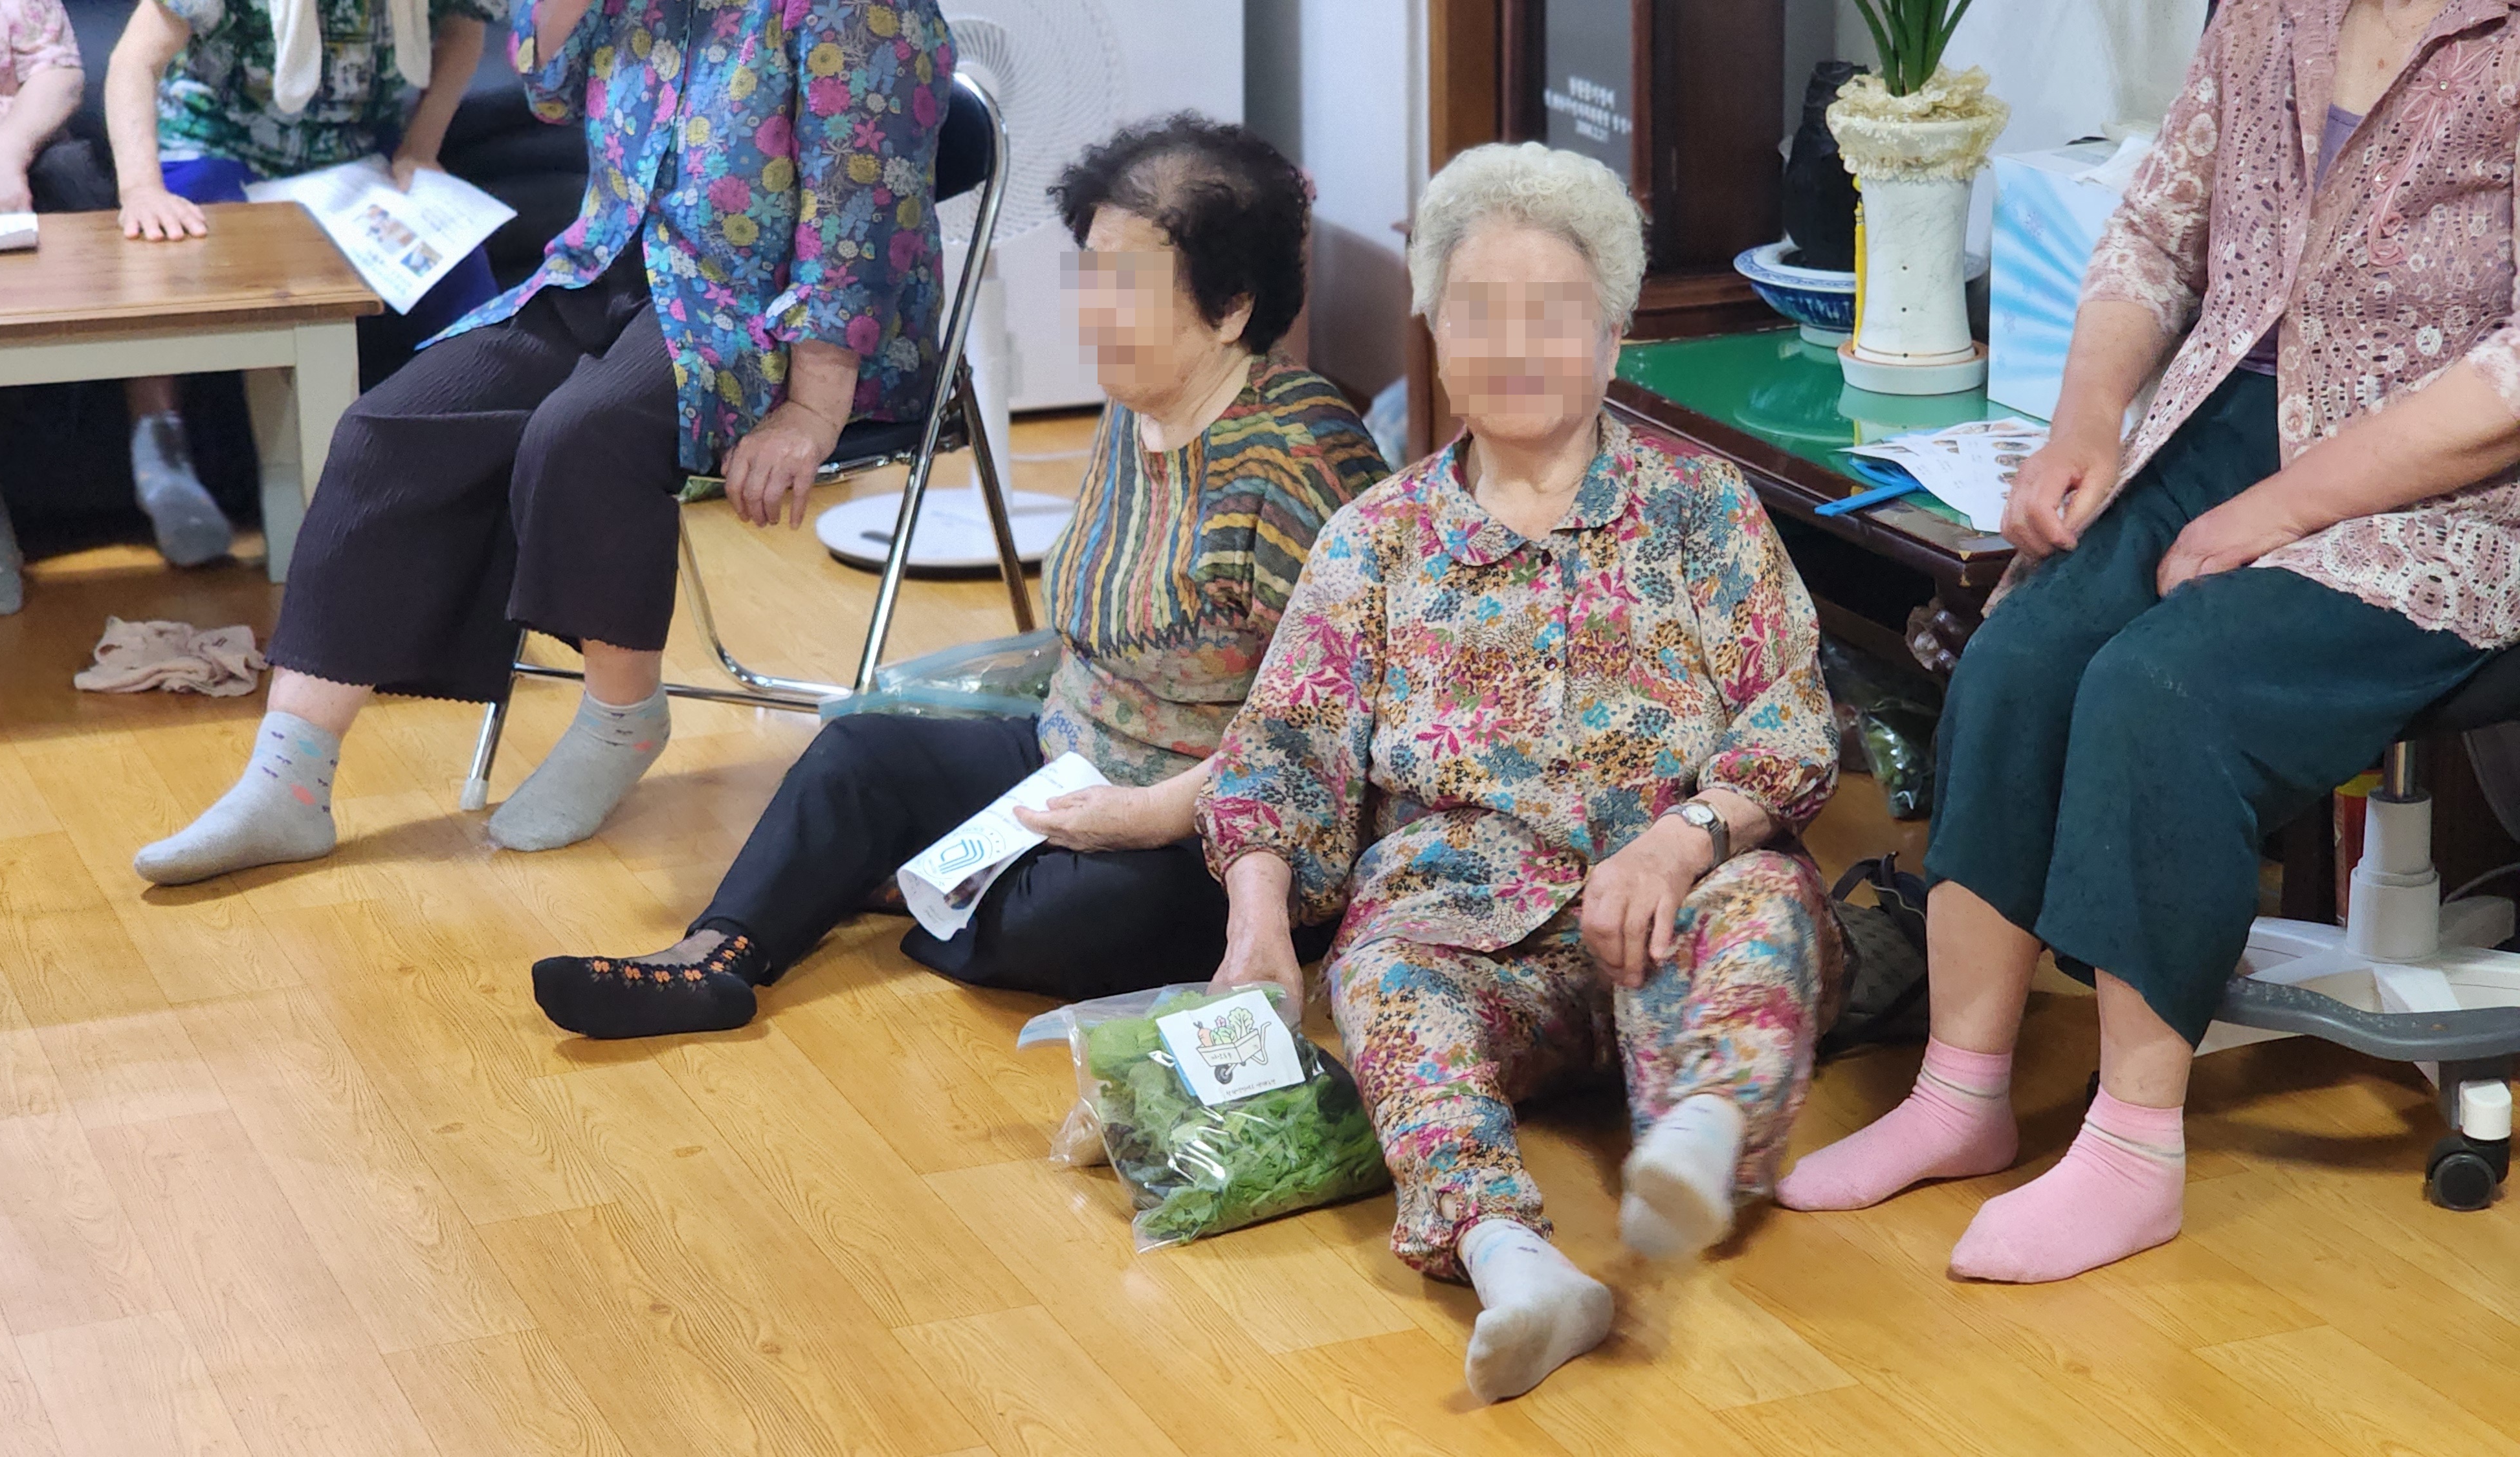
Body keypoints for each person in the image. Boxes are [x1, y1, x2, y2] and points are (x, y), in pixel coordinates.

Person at [1778, 0, 2520, 1284]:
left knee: (2158, 689)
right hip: (2227, 422)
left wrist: (2276, 511)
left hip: (2452, 491)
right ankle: (1960, 1091)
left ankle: (2131, 1153)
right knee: (2022, 654)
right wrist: (2086, 420)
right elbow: (2157, 232)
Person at [1197, 142, 1844, 1403]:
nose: (1514, 345)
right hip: (1468, 937)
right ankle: (1515, 1264)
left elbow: (1791, 722)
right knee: (1381, 973)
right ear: (1437, 334)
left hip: (1678, 903)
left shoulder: (1699, 509)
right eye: (1478, 312)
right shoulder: (1376, 542)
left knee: (1766, 907)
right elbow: (1280, 753)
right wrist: (1255, 920)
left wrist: (1681, 841)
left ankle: (1700, 1138)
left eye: (1551, 312)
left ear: (1610, 336)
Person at [529, 116, 1392, 1040]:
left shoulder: (1301, 459)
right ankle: (714, 958)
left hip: (1224, 834)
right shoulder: (1138, 401)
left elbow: (1325, 733)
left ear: (1230, 309)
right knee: (857, 756)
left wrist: (1145, 813)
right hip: (1070, 761)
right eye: (1090, 277)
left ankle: (902, 881)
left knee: (1072, 914)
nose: (1093, 313)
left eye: (1128, 289)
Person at [131, 0, 956, 884]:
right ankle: (286, 784)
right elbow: (551, 88)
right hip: (608, 266)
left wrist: (812, 412)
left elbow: (866, 219)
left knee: (585, 432)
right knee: (387, 429)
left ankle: (622, 718)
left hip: (773, 319)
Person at [98, 0, 503, 571]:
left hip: (354, 155)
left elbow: (464, 30)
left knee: (466, 282)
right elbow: (134, 60)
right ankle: (161, 454)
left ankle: (479, 476)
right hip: (217, 146)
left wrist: (421, 147)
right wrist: (141, 190)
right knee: (175, 247)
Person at [0, 0, 105, 615]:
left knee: (83, 178)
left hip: (9, 185)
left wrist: (4, 152)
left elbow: (58, 72)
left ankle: (162, 451)